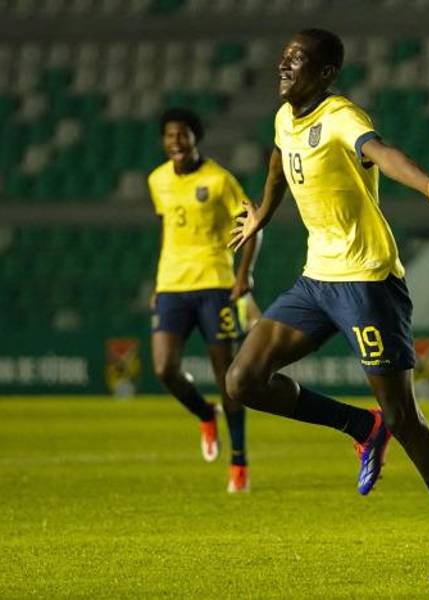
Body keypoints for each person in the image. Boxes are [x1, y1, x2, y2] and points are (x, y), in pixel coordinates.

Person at [226, 29, 429, 578]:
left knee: (404, 416)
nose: (284, 66)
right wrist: (262, 215)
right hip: (316, 280)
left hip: (367, 281)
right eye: (283, 57)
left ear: (325, 73)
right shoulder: (283, 118)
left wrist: (426, 185)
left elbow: (382, 153)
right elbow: (279, 162)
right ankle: (359, 427)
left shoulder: (342, 116)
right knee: (243, 380)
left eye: (297, 60)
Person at [148, 107, 261, 493]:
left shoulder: (218, 180)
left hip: (215, 285)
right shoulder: (157, 180)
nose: (176, 142)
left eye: (182, 135)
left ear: (195, 138)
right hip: (171, 286)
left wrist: (243, 275)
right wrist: (158, 281)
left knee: (228, 378)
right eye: (169, 136)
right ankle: (204, 412)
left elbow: (253, 224)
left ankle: (239, 461)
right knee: (164, 368)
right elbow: (167, 229)